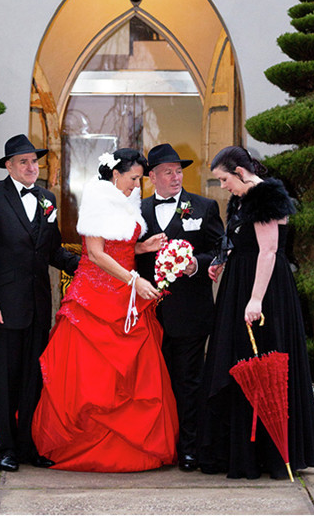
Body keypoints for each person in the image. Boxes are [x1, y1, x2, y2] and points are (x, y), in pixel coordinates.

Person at [30, 148, 179, 471]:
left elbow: (118, 245)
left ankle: (134, 447)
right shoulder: (97, 198)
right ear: (115, 174)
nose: (137, 185)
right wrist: (134, 280)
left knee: (136, 373)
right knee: (90, 376)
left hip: (124, 295)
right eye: (133, 178)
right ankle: (77, 445)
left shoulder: (126, 199)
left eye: (139, 179)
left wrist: (142, 247)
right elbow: (96, 254)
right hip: (95, 296)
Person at [197, 146, 314, 479]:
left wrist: (255, 300)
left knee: (262, 364)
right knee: (238, 361)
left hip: (264, 291)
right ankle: (240, 453)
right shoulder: (242, 198)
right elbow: (242, 240)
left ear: (239, 172)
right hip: (240, 285)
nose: (222, 186)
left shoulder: (265, 196)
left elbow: (268, 251)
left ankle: (266, 456)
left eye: (224, 179)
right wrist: (222, 260)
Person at [0, 134, 80, 472]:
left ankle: (28, 446)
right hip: (2, 308)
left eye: (34, 161)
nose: (32, 167)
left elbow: (52, 250)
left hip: (37, 306)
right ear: (9, 166)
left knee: (33, 379)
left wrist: (88, 266)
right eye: (24, 162)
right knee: (4, 380)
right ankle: (6, 447)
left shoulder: (47, 199)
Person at [135, 143, 225, 472]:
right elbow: (122, 253)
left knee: (188, 382)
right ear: (152, 177)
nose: (176, 177)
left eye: (178, 171)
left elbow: (220, 247)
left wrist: (197, 264)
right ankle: (159, 446)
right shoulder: (137, 211)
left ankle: (189, 448)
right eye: (167, 172)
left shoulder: (203, 207)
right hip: (148, 314)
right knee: (152, 384)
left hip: (190, 311)